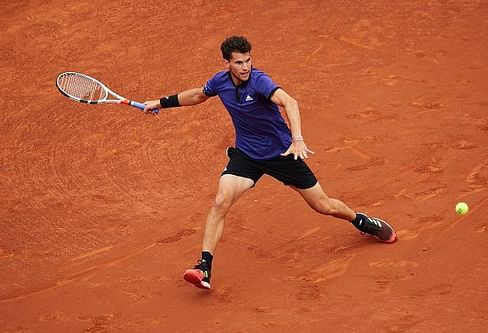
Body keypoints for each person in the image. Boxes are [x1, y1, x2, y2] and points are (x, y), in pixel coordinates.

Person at [143, 36, 396, 290]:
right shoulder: (220, 81)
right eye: (239, 62)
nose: (245, 67)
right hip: (248, 155)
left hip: (283, 154)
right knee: (221, 200)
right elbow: (198, 95)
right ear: (227, 63)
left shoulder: (259, 81)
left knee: (324, 206)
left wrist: (297, 138)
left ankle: (361, 221)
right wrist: (161, 103)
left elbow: (290, 102)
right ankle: (204, 267)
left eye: (248, 60)